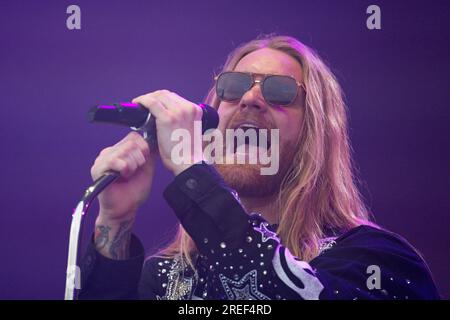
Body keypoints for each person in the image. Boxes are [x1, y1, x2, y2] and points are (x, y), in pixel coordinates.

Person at [78, 35, 440, 300]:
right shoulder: (165, 280)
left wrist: (192, 171)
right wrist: (116, 221)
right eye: (233, 87)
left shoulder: (376, 262)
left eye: (280, 91)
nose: (250, 98)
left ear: (315, 133)